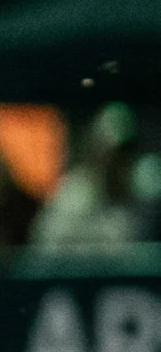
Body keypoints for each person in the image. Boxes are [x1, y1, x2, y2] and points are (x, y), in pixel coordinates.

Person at [32, 104, 144, 257]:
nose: (117, 160)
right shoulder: (73, 192)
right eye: (112, 153)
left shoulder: (140, 191)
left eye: (125, 153)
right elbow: (47, 248)